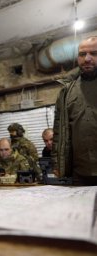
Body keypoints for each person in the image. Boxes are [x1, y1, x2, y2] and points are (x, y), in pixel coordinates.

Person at [53, 36, 97, 186]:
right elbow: (59, 130)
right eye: (82, 54)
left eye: (94, 53)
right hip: (80, 174)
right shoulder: (67, 90)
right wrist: (58, 163)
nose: (87, 59)